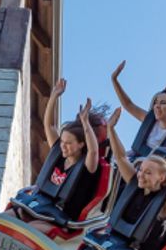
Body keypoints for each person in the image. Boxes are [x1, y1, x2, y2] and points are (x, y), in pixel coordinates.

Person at [74, 108, 166, 250]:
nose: (140, 174)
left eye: (148, 173)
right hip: (108, 246)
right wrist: (111, 129)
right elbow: (122, 157)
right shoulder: (135, 184)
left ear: (162, 178)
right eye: (141, 170)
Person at [6, 78, 102, 234]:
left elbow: (94, 151)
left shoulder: (87, 166)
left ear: (81, 144)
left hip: (58, 218)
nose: (63, 145)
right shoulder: (59, 153)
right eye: (62, 141)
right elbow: (49, 125)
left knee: (26, 230)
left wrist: (85, 123)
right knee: (7, 216)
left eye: (69, 143)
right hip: (38, 206)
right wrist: (53, 97)